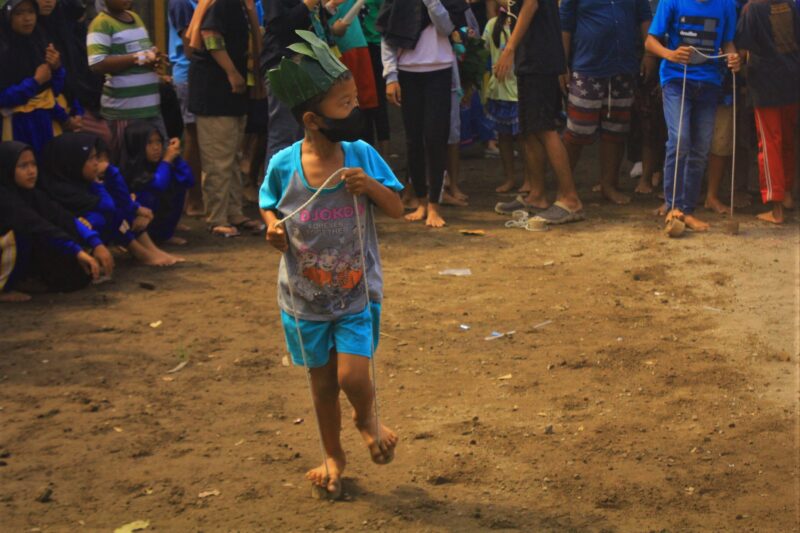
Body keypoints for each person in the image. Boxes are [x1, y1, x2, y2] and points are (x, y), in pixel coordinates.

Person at [260, 30, 402, 496]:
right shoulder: (284, 164)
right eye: (343, 105)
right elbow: (267, 204)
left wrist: (372, 188)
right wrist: (272, 228)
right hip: (304, 301)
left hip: (355, 293)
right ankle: (333, 455)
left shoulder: (361, 155)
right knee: (322, 387)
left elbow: (399, 208)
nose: (354, 110)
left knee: (352, 375)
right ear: (312, 119)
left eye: (354, 99)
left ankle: (367, 419)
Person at [646, 0, 740, 232]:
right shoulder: (672, 2)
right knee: (679, 140)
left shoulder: (725, 4)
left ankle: (686, 210)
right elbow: (650, 41)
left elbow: (727, 42)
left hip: (709, 82)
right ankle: (673, 207)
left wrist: (733, 57)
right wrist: (670, 54)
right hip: (676, 80)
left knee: (700, 147)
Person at [494, 0, 585, 225]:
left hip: (540, 56)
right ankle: (536, 195)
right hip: (531, 56)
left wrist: (509, 48)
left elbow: (531, 4)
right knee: (529, 129)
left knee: (544, 128)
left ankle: (570, 199)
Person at [380, 0, 468, 228]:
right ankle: (420, 202)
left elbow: (447, 28)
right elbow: (387, 37)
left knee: (436, 138)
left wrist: (432, 3)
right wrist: (391, 77)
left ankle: (434, 205)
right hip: (407, 72)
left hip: (440, 70)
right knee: (413, 140)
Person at [559, 0, 652, 205]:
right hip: (586, 66)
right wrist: (562, 65)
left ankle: (608, 185)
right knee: (577, 130)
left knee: (616, 130)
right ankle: (564, 189)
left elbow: (645, 18)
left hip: (624, 66)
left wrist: (648, 54)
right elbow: (565, 25)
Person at [39, 132, 182, 266]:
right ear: (73, 162)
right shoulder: (62, 190)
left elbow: (124, 202)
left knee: (122, 205)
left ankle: (147, 250)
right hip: (67, 255)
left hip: (105, 235)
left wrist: (135, 208)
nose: (97, 163)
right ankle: (139, 251)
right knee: (103, 215)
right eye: (91, 158)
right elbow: (109, 207)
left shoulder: (79, 183)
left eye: (97, 158)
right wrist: (109, 175)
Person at [186, 0, 265, 237]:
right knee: (218, 158)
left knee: (233, 155)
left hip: (233, 92)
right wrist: (231, 72)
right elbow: (210, 35)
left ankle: (234, 212)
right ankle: (217, 217)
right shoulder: (221, 3)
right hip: (215, 91)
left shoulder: (239, 6)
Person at [0, 140, 103, 301]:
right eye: (23, 166)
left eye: (33, 164)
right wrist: (77, 251)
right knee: (18, 235)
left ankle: (25, 278)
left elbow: (60, 215)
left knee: (65, 236)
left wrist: (96, 242)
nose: (31, 171)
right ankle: (3, 289)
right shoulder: (5, 197)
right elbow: (36, 224)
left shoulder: (31, 193)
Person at [737, 0, 800, 224]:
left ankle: (776, 207)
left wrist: (738, 64)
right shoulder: (791, 6)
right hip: (792, 79)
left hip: (765, 83)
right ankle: (789, 195)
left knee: (769, 143)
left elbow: (743, 50)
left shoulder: (752, 9)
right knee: (787, 140)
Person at [87, 0, 165, 159]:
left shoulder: (135, 18)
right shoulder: (101, 24)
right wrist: (137, 58)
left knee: (158, 160)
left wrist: (153, 59)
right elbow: (97, 63)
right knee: (129, 163)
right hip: (124, 113)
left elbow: (143, 52)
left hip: (150, 107)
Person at [0, 0, 77, 155]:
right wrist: (34, 82)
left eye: (31, 12)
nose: (27, 18)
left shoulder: (40, 41)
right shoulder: (4, 48)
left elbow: (53, 90)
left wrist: (57, 68)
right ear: (8, 17)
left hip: (46, 122)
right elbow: (3, 97)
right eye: (19, 13)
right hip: (16, 124)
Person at [260, 0, 318, 166]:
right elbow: (279, 25)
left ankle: (295, 188)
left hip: (305, 63)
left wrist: (329, 8)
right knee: (284, 135)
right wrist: (308, 4)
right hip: (284, 64)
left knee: (302, 135)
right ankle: (275, 190)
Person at [120, 122, 195, 244]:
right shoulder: (128, 170)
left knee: (177, 184)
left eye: (158, 142)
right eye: (149, 143)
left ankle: (165, 234)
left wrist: (176, 156)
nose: (156, 147)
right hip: (135, 225)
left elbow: (188, 180)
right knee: (150, 193)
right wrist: (166, 161)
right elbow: (158, 186)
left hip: (158, 224)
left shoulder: (160, 163)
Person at [167, 0, 205, 217]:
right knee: (193, 136)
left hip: (199, 75)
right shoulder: (181, 3)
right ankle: (192, 198)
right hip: (188, 76)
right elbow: (190, 46)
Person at [483, 2, 520, 193]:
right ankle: (510, 178)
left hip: (519, 90)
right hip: (499, 91)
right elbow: (483, 52)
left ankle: (531, 178)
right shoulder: (492, 25)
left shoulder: (522, 24)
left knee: (526, 138)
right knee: (504, 138)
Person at [362, 0, 391, 154]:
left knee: (378, 101)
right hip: (358, 47)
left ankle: (384, 158)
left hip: (377, 46)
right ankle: (371, 156)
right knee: (364, 103)